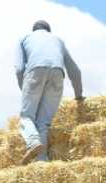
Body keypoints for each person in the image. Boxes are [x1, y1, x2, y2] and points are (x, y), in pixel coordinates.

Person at [14, 20, 83, 164]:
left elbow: (19, 68)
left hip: (35, 72)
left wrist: (26, 90)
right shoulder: (58, 40)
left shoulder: (24, 38)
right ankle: (42, 160)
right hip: (58, 74)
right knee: (43, 123)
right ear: (48, 31)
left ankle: (32, 142)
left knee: (26, 117)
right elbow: (74, 70)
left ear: (34, 31)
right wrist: (79, 95)